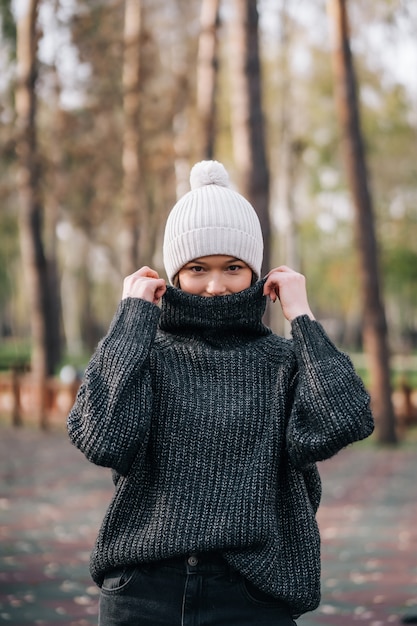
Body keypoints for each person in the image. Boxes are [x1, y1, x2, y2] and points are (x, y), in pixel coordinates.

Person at [67, 160, 374, 626]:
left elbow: (344, 420)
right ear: (175, 276)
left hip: (253, 593)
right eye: (196, 268)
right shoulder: (145, 355)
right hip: (144, 589)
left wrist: (303, 318)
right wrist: (130, 322)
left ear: (255, 272)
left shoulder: (284, 361)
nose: (215, 285)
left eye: (233, 267)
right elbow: (101, 437)